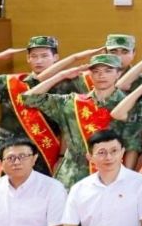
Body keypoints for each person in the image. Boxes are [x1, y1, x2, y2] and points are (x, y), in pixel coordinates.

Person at [0, 36, 70, 175]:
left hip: (45, 152)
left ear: (56, 57)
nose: (38, 61)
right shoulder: (11, 83)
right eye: (34, 56)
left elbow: (67, 126)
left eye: (44, 56)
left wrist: (62, 157)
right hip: (12, 151)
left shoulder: (67, 87)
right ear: (28, 58)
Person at [23, 53, 130, 188]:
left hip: (111, 172)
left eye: (108, 71)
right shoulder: (72, 102)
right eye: (96, 71)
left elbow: (134, 146)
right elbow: (29, 98)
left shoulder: (127, 104)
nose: (101, 75)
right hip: (72, 174)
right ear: (90, 74)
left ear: (118, 74)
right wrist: (62, 75)